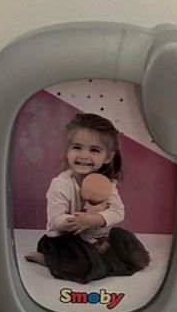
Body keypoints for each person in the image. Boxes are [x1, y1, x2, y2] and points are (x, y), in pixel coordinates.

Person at [25, 112, 150, 284]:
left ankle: (98, 259)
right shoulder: (60, 184)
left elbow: (117, 212)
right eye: (77, 147)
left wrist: (95, 220)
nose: (84, 155)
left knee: (128, 245)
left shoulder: (107, 183)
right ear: (67, 151)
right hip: (66, 240)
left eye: (94, 150)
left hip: (96, 237)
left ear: (108, 157)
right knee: (82, 261)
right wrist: (78, 221)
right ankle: (48, 259)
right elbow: (55, 220)